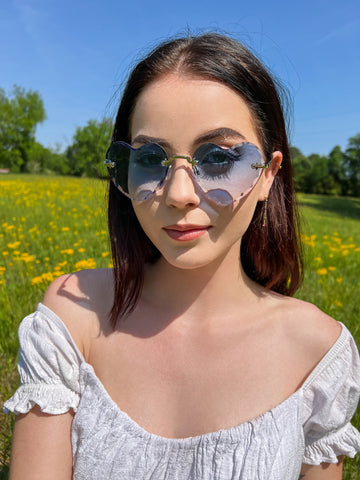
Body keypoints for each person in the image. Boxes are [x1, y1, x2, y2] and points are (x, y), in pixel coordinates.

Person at [4, 32, 360, 480]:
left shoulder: (319, 354)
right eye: (150, 159)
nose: (178, 194)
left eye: (218, 157)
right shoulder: (73, 318)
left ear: (269, 175)